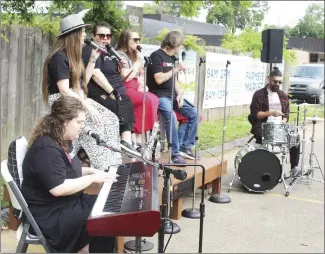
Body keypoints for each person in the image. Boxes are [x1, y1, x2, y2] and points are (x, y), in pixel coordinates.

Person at [21, 96, 117, 253]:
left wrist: (94, 171)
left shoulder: (55, 141)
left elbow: (66, 171)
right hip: (50, 216)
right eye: (79, 122)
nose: (82, 127)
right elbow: (58, 188)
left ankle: (91, 248)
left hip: (61, 206)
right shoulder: (46, 149)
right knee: (104, 216)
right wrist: (92, 178)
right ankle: (91, 248)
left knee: (105, 207)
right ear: (65, 121)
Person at [42, 14, 122, 170]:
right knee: (98, 125)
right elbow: (64, 90)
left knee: (111, 120)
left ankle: (112, 164)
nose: (85, 35)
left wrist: (92, 59)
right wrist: (87, 105)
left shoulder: (73, 56)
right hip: (62, 99)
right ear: (74, 35)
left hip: (75, 98)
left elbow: (83, 82)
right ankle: (104, 166)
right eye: (83, 32)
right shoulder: (59, 57)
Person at [82, 22, 137, 153]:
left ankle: (126, 141)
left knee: (126, 102)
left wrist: (121, 66)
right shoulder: (90, 50)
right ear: (94, 36)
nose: (105, 38)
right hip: (96, 92)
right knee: (120, 102)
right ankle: (122, 142)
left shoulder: (110, 52)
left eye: (108, 36)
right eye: (101, 35)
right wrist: (112, 92)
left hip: (115, 90)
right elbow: (95, 73)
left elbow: (122, 75)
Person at [146, 31, 198, 164]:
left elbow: (173, 80)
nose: (181, 48)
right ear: (173, 44)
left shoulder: (172, 59)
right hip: (159, 95)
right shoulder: (156, 56)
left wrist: (179, 94)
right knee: (172, 117)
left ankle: (185, 147)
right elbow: (158, 79)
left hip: (172, 95)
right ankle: (175, 155)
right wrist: (176, 69)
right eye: (180, 45)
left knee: (193, 113)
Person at [249, 67, 300, 176]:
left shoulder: (283, 95)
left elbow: (286, 113)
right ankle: (263, 167)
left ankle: (294, 168)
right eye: (274, 81)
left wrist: (284, 120)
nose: (277, 84)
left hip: (279, 126)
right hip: (263, 125)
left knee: (295, 136)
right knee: (262, 136)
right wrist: (270, 113)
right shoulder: (259, 94)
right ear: (268, 79)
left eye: (279, 82)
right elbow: (255, 114)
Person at [115, 29, 159, 151]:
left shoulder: (134, 54)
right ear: (125, 40)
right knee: (147, 99)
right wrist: (138, 62)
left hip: (135, 85)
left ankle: (140, 137)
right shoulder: (120, 54)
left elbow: (138, 74)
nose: (138, 42)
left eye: (139, 39)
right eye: (135, 39)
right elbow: (126, 76)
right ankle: (138, 138)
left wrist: (142, 83)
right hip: (124, 87)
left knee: (153, 98)